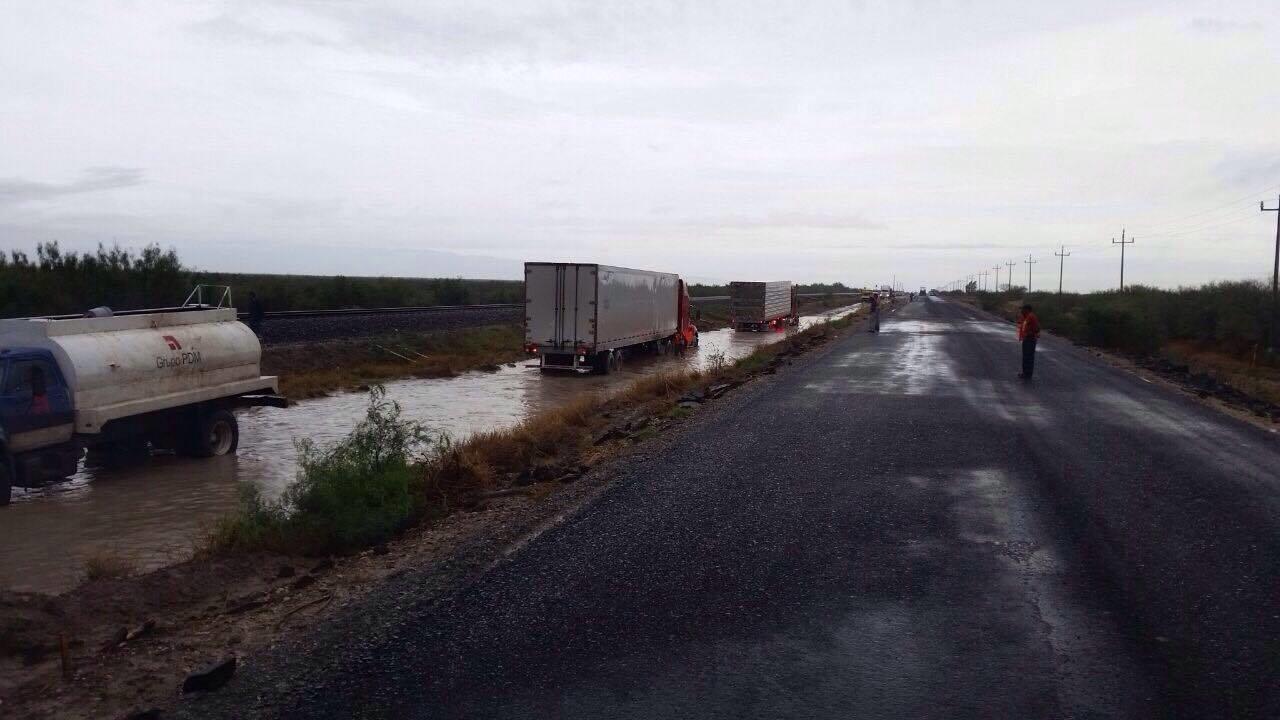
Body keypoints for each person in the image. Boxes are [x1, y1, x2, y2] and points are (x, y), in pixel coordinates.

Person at [1017, 303, 1040, 379]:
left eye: (1023, 309)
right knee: (1026, 357)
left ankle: (1027, 374)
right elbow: (1022, 324)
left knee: (1028, 357)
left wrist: (1030, 334)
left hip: (1030, 339)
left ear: (1027, 310)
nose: (1021, 311)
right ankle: (1025, 373)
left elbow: (1037, 328)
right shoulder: (1026, 317)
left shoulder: (1031, 317)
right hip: (1026, 339)